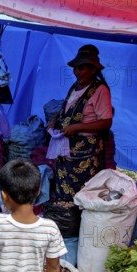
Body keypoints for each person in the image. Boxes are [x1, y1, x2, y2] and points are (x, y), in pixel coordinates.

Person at [46, 44, 113, 201]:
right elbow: (66, 110)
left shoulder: (100, 90)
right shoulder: (75, 87)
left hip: (86, 152)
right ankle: (67, 220)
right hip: (67, 149)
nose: (77, 72)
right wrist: (54, 120)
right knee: (65, 190)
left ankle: (81, 222)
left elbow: (106, 122)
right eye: (75, 68)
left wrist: (77, 127)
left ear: (93, 70)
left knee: (84, 193)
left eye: (81, 68)